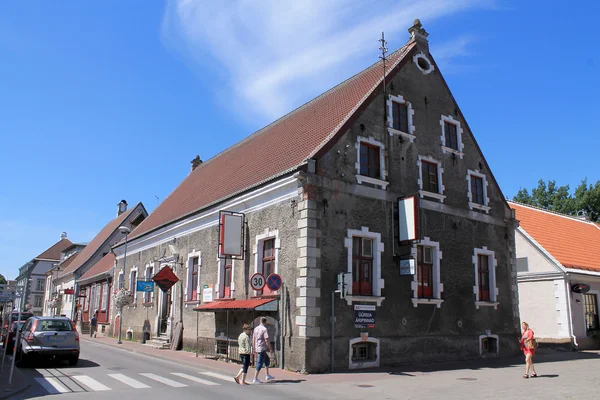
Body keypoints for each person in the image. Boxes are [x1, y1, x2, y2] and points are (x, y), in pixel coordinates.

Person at [252, 317, 274, 384]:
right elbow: (266, 340)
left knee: (267, 359)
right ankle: (255, 378)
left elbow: (253, 338)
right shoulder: (264, 329)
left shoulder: (256, 328)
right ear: (265, 322)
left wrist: (254, 348)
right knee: (260, 362)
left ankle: (267, 375)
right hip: (262, 348)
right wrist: (270, 348)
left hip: (257, 347)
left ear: (260, 321)